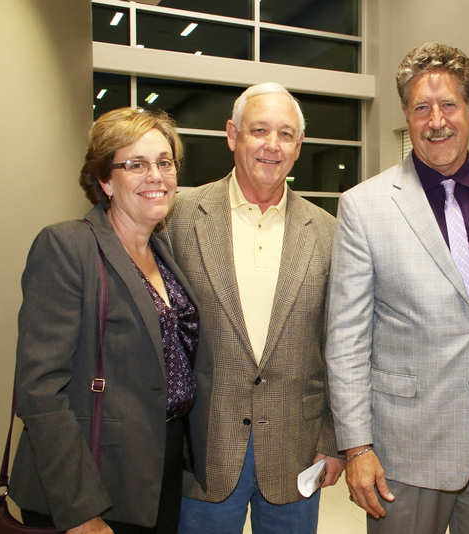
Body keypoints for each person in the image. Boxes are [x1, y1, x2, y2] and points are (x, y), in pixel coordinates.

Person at [325, 42, 469, 534]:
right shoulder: (364, 208)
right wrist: (357, 448)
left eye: (448, 105)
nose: (436, 121)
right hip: (406, 449)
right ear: (406, 116)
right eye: (421, 108)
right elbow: (345, 342)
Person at [163, 82, 343, 534]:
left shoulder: (329, 232)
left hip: (297, 448)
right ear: (232, 135)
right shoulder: (178, 219)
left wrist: (333, 439)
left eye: (285, 135)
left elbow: (341, 344)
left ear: (299, 146)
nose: (271, 145)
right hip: (203, 448)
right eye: (258, 130)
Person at [11, 107, 202, 533]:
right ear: (104, 180)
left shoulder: (163, 251)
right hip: (93, 478)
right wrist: (81, 511)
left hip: (159, 468)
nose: (156, 175)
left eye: (164, 162)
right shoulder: (66, 246)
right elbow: (40, 390)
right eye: (136, 164)